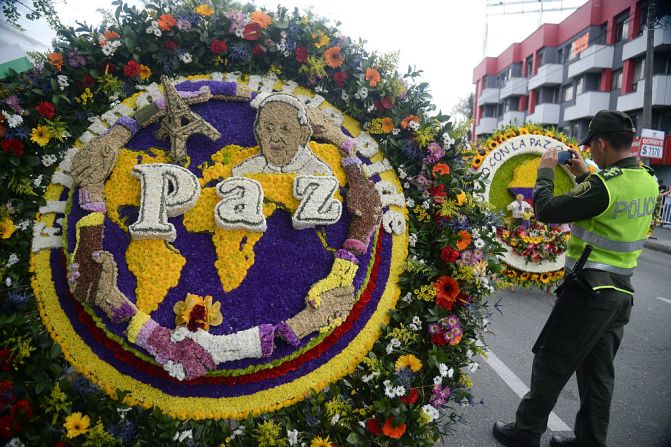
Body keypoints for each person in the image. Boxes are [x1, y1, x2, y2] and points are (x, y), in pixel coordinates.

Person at [493, 110, 659, 447]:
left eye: (591, 148)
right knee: (598, 373)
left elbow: (546, 209)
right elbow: (609, 204)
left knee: (552, 361)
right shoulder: (648, 179)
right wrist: (585, 174)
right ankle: (589, 441)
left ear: (600, 143)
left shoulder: (603, 186)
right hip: (620, 292)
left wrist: (545, 172)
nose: (590, 154)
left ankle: (525, 433)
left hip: (588, 292)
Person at [232, 93, 332, 176]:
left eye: (285, 129)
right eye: (268, 128)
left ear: (303, 134)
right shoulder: (246, 171)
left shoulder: (319, 173)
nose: (275, 138)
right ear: (258, 131)